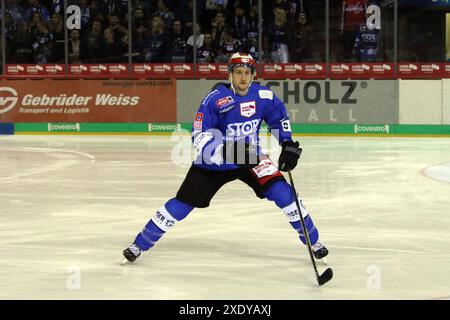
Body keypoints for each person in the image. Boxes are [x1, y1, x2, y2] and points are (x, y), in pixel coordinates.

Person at [122, 52, 328, 264]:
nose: (243, 77)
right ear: (230, 74)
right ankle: (139, 244)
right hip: (215, 163)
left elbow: (278, 119)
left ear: (253, 75)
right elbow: (199, 136)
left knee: (284, 194)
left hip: (250, 157)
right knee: (182, 204)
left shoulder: (263, 96)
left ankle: (313, 242)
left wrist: (287, 143)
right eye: (238, 72)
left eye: (247, 73)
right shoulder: (214, 100)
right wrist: (228, 152)